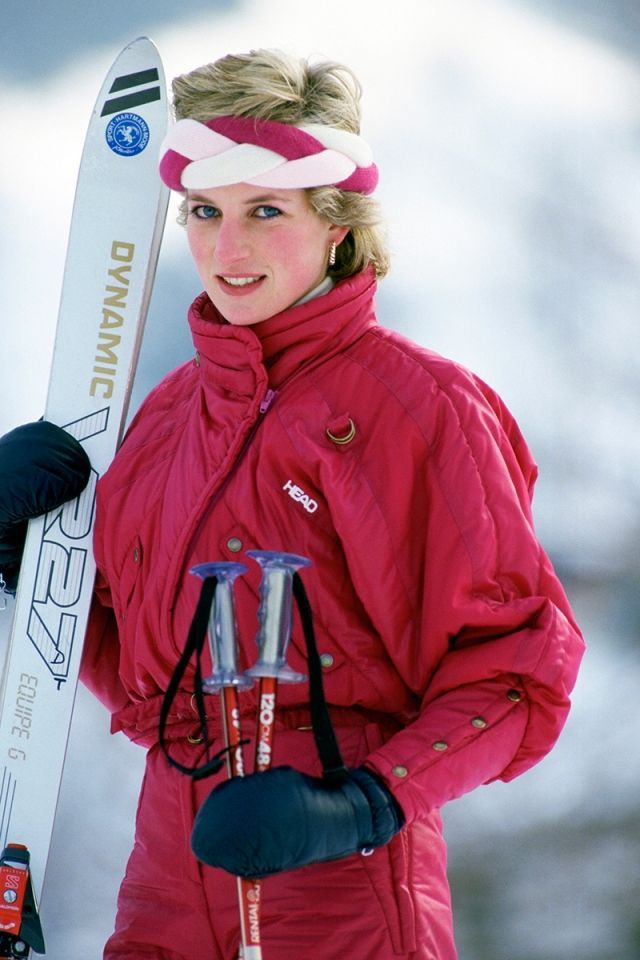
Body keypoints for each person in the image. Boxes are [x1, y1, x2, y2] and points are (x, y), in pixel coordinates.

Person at [0, 48, 584, 960]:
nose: (227, 249)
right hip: (166, 871)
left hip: (339, 882)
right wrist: (25, 561)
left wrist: (358, 804)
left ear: (338, 224)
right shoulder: (167, 417)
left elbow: (517, 673)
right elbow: (146, 677)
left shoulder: (419, 408)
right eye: (205, 212)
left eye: (265, 212)